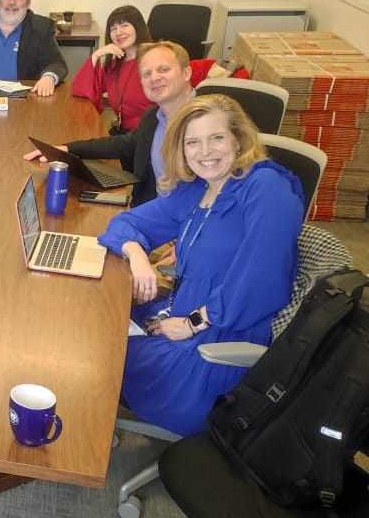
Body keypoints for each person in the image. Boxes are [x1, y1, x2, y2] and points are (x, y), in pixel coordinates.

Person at [98, 94, 304, 436]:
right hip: (178, 312)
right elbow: (124, 225)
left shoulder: (267, 189)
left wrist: (192, 323)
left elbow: (259, 286)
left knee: (98, 350)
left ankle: (86, 435)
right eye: (192, 142)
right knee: (97, 317)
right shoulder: (198, 189)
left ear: (238, 139)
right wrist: (137, 255)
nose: (205, 152)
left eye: (217, 138)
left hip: (216, 345)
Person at [23, 40, 196, 206]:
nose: (154, 78)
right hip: (149, 212)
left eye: (164, 70)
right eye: (146, 74)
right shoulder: (153, 117)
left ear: (187, 73)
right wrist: (68, 149)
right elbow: (124, 144)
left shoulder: (204, 121)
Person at [71, 5, 152, 133]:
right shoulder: (114, 65)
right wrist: (96, 55)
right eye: (113, 29)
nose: (118, 32)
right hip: (123, 133)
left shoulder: (153, 61)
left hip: (150, 134)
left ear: (138, 28)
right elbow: (80, 90)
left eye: (124, 25)